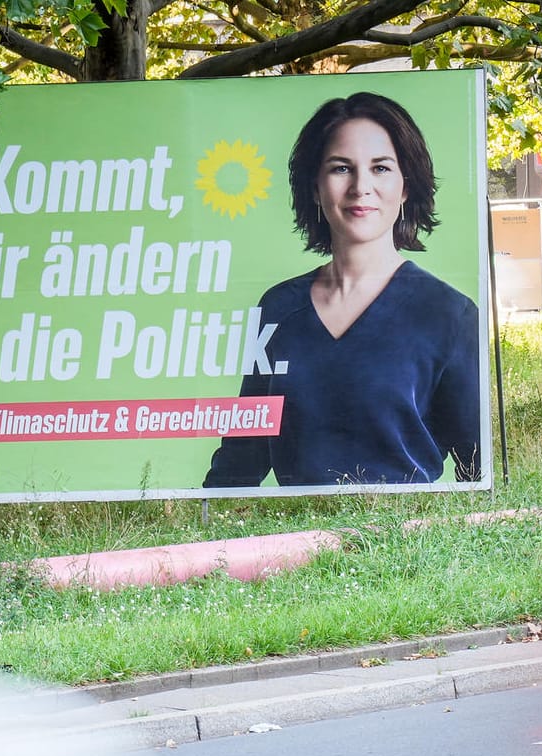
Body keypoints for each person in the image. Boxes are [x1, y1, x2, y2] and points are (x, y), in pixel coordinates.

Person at [204, 92, 481, 487]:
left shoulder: (450, 314)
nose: (360, 187)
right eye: (340, 169)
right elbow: (242, 455)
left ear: (406, 186)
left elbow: (477, 465)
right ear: (315, 187)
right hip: (292, 540)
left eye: (381, 168)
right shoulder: (278, 309)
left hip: (405, 538)